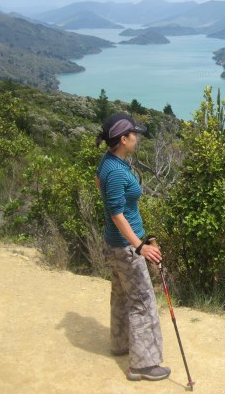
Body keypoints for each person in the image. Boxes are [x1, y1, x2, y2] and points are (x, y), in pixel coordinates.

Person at [95, 112, 171, 382]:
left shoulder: (108, 163)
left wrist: (138, 235)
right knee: (142, 302)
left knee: (121, 295)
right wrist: (139, 245)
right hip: (126, 249)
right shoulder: (116, 171)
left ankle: (120, 343)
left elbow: (101, 188)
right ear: (122, 139)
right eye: (133, 134)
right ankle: (143, 365)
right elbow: (116, 213)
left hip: (114, 244)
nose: (137, 138)